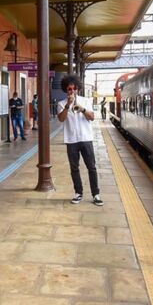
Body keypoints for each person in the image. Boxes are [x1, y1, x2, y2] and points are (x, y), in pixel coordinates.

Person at [57, 74, 103, 206]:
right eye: (69, 89)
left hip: (86, 138)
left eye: (74, 88)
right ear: (66, 90)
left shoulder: (86, 100)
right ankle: (78, 193)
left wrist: (81, 108)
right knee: (74, 168)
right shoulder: (61, 104)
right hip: (71, 140)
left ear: (78, 89)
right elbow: (61, 119)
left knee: (91, 167)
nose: (71, 91)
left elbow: (91, 117)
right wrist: (68, 105)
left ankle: (96, 194)